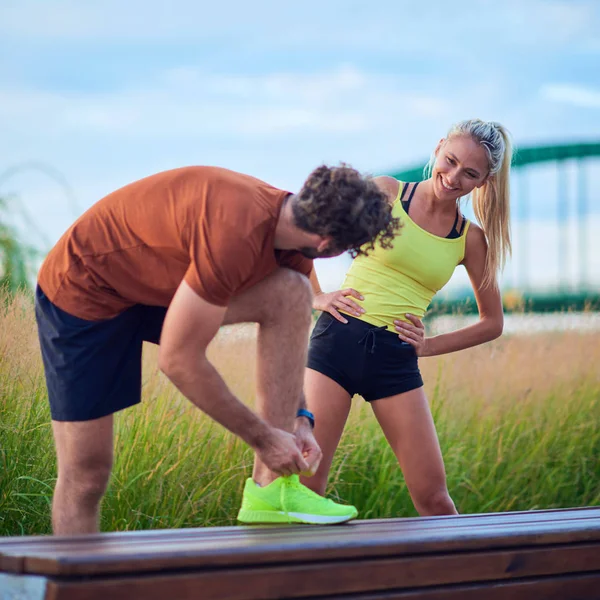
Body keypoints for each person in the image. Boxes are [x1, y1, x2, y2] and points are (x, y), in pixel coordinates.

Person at [35, 164, 400, 534]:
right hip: (85, 290)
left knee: (292, 291)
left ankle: (270, 492)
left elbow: (286, 324)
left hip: (157, 286)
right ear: (327, 244)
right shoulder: (235, 232)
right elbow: (178, 360)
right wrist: (262, 438)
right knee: (87, 473)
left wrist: (300, 418)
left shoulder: (291, 242)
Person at [302, 119, 512, 516]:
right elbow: (305, 229)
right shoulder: (385, 191)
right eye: (449, 161)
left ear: (483, 182)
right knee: (307, 484)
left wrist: (428, 345)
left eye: (470, 173)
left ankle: (459, 578)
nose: (453, 177)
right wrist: (316, 295)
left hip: (395, 359)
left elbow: (492, 322)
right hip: (337, 342)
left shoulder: (470, 239)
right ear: (437, 149)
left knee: (435, 500)